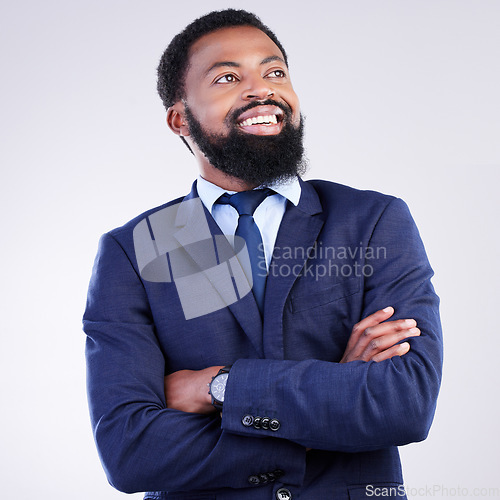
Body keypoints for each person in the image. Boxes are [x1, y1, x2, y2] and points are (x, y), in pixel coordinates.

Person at [83, 9, 443, 500]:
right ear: (179, 117)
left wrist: (218, 388)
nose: (262, 89)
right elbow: (129, 451)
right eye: (228, 77)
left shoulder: (372, 221)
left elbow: (405, 402)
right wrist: (332, 400)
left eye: (275, 72)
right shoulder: (135, 249)